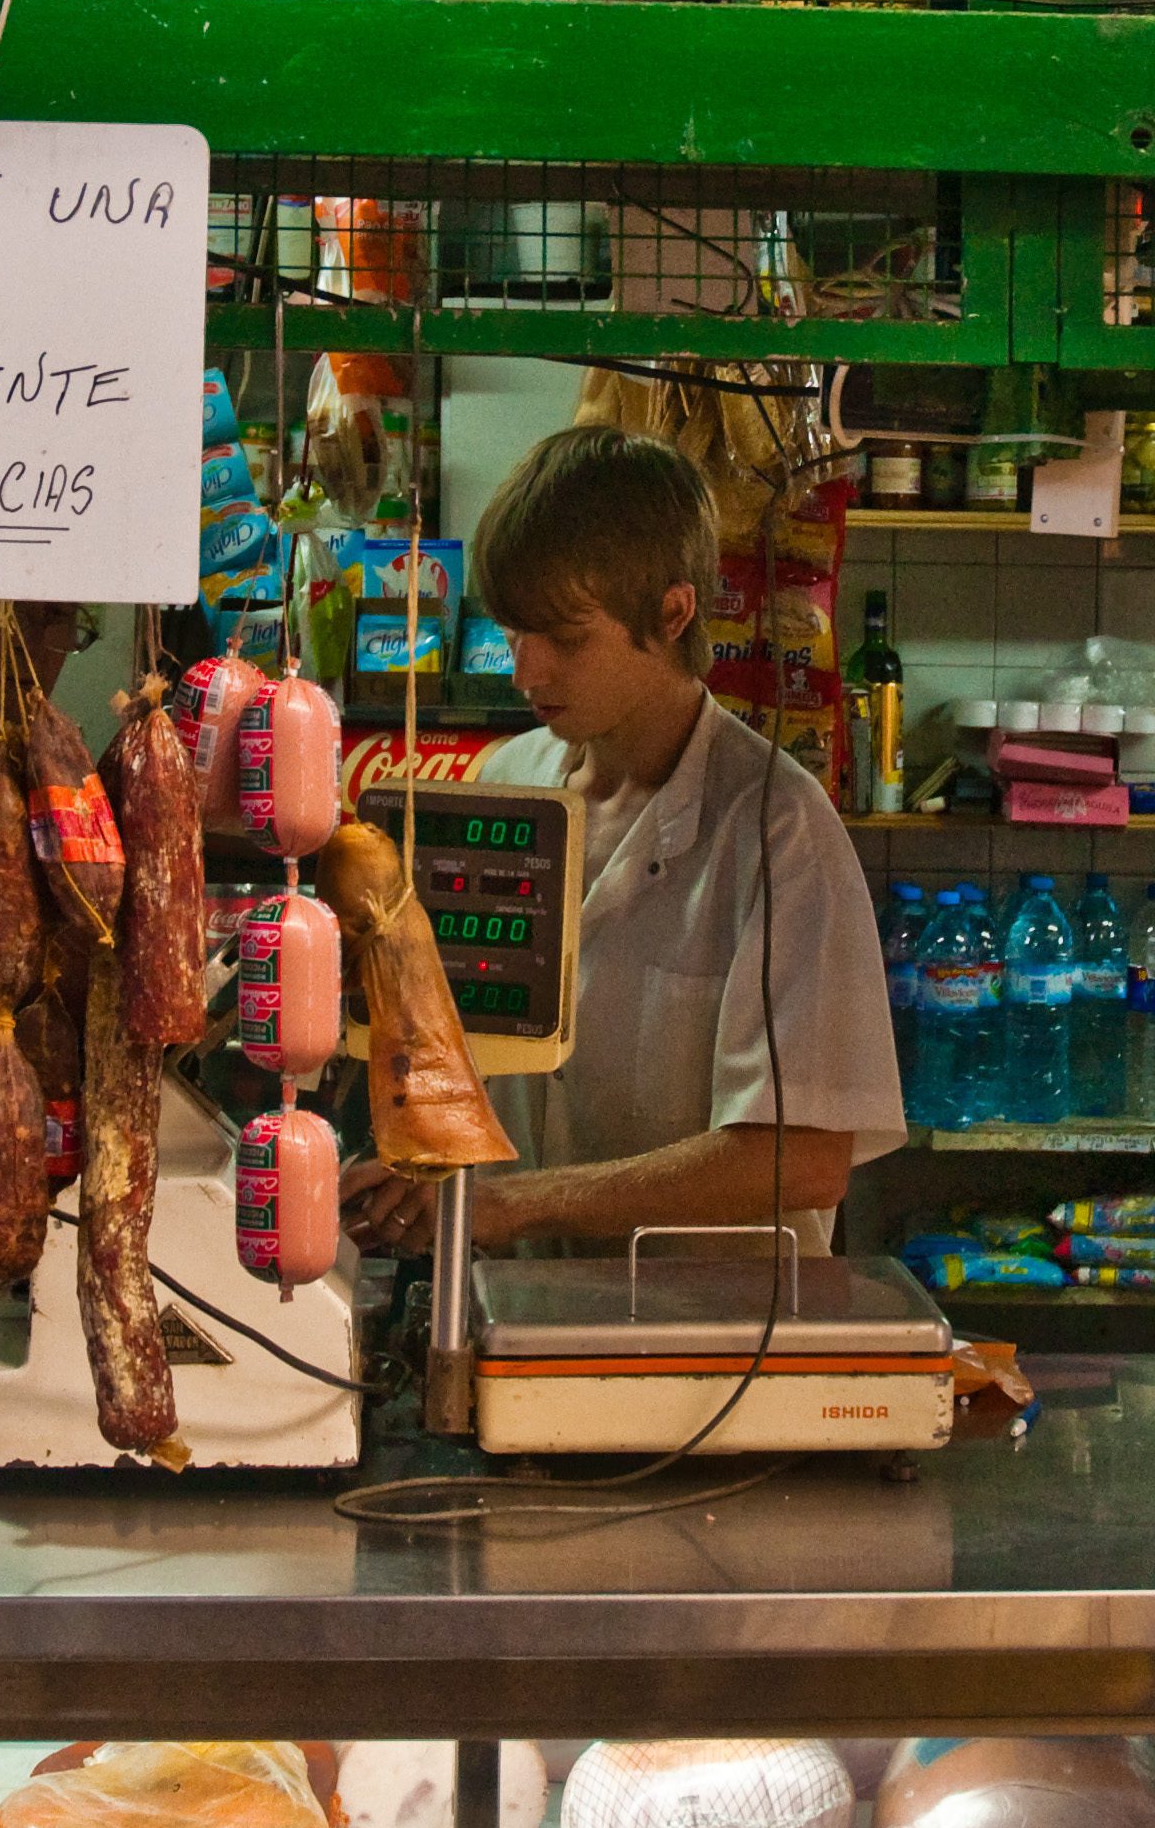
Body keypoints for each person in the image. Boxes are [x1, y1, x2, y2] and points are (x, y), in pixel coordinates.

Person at [336, 424, 902, 1258]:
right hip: (519, 1315)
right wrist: (420, 1171)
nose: (527, 673)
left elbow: (807, 1158)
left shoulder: (779, 828)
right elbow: (450, 1057)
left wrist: (519, 1205)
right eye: (514, 633)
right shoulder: (505, 783)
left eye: (566, 640)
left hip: (710, 1348)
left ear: (672, 613)